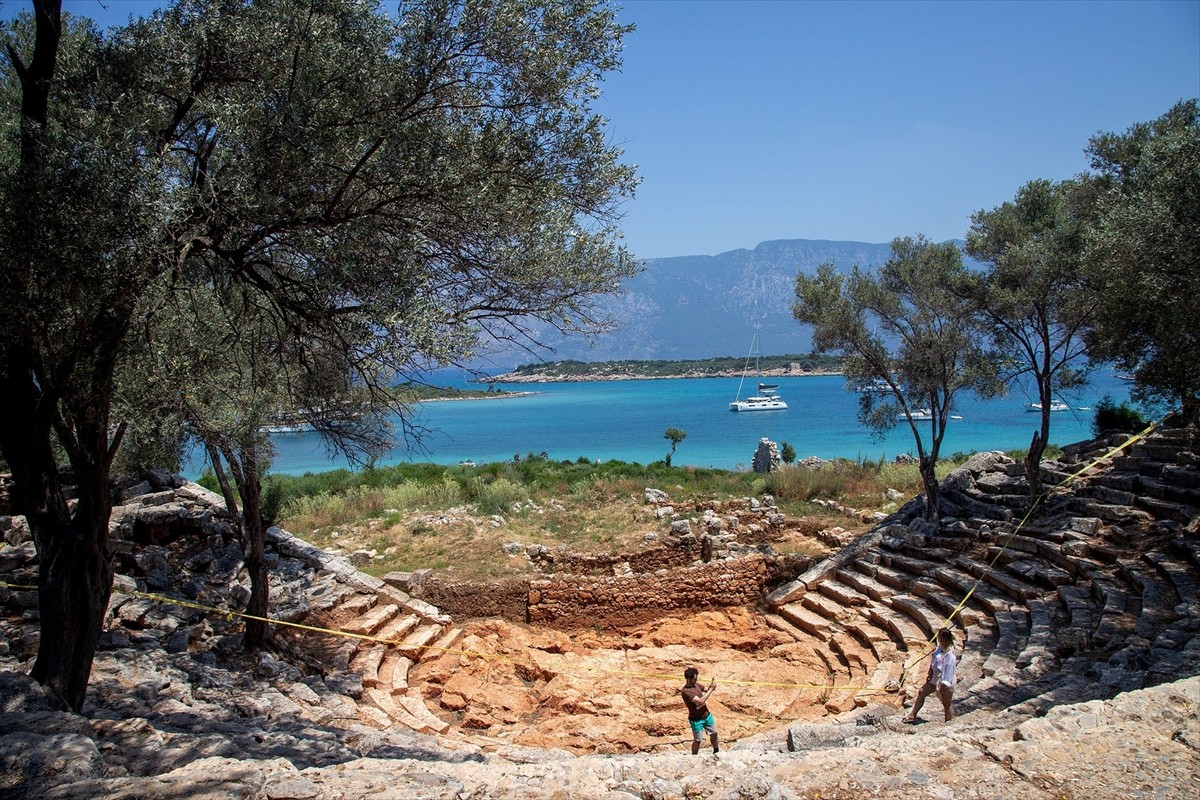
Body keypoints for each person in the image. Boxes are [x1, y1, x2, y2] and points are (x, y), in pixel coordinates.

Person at [904, 628, 957, 723]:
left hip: (945, 682)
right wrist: (930, 672)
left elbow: (948, 672)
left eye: (940, 638)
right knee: (922, 692)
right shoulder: (940, 648)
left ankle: (949, 723)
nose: (938, 639)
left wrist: (944, 686)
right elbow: (934, 659)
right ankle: (913, 714)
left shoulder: (950, 655)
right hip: (935, 677)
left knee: (946, 704)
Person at [681, 666, 719, 755]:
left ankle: (716, 750)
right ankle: (694, 756)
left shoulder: (696, 685)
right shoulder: (686, 692)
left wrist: (712, 685)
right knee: (698, 740)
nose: (696, 680)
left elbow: (706, 689)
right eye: (694, 679)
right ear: (689, 679)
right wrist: (711, 689)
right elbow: (701, 701)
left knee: (714, 733)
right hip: (696, 719)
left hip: (706, 715)